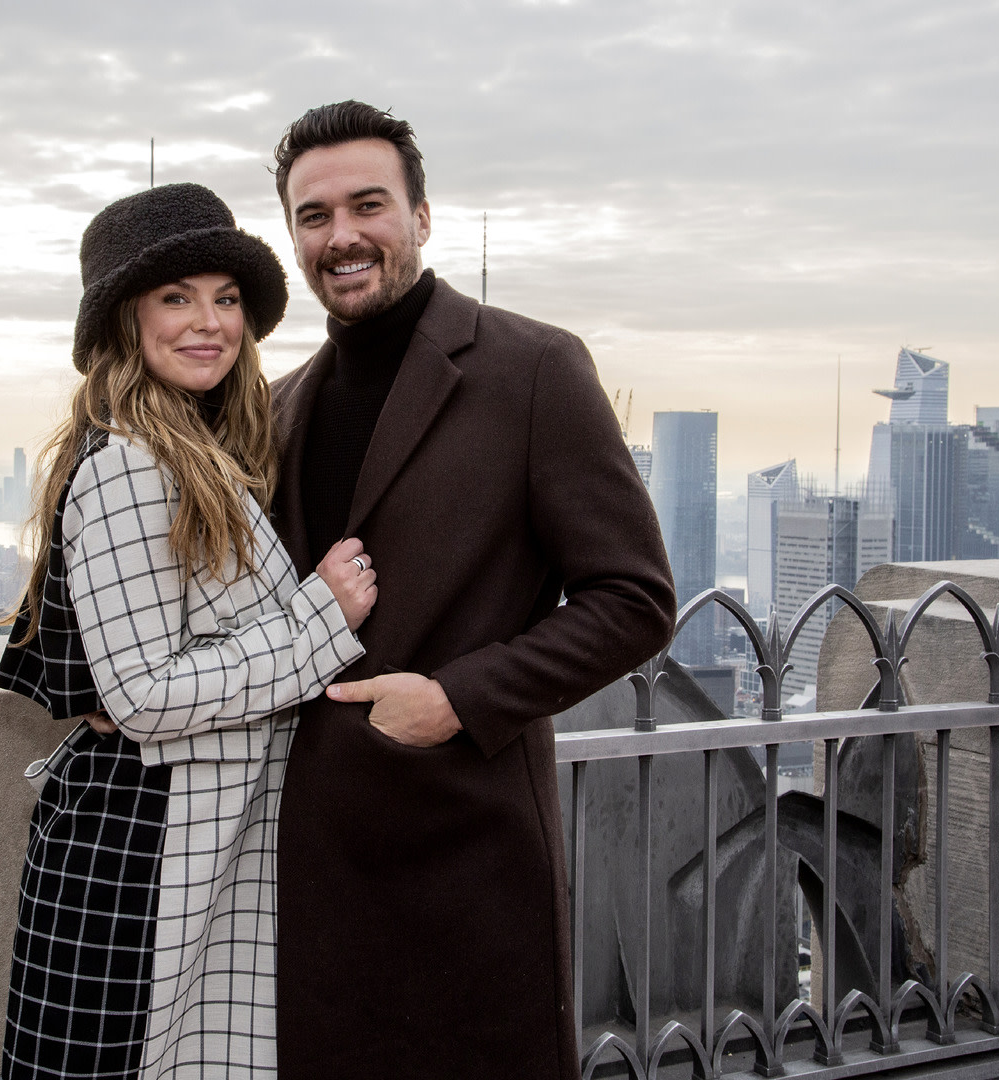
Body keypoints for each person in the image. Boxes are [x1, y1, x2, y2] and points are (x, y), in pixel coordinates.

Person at [265, 101, 679, 1079]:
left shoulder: (532, 369)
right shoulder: (279, 403)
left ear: (421, 216)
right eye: (314, 215)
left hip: (468, 871)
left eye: (369, 204)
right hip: (308, 892)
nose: (343, 235)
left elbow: (635, 599)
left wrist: (458, 699)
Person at [0, 182, 378, 1080]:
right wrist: (321, 620)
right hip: (138, 860)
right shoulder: (129, 462)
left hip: (180, 846)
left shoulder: (196, 451)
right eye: (176, 298)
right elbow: (141, 692)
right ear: (125, 321)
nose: (209, 323)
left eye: (226, 298)